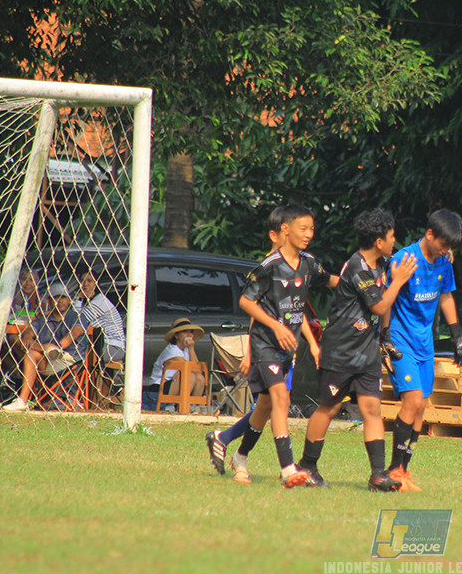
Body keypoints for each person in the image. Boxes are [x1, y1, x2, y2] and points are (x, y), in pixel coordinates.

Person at [205, 206, 336, 484]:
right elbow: (246, 302)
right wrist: (269, 334)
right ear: (285, 230)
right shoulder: (269, 266)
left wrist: (363, 284)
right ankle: (288, 469)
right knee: (281, 399)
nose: (309, 234)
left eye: (312, 229)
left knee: (264, 407)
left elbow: (300, 306)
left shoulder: (309, 263)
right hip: (265, 344)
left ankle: (233, 449)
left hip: (288, 349)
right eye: (304, 228)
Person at [296, 209, 417, 490]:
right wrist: (397, 281)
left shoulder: (382, 262)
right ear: (378, 242)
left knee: (372, 408)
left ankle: (377, 475)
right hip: (340, 351)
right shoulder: (358, 267)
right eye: (391, 236)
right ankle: (307, 466)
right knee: (330, 406)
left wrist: (446, 255)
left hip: (367, 352)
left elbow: (415, 259)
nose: (394, 240)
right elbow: (379, 306)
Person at [383, 209, 462, 492]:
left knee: (421, 410)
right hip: (400, 340)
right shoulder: (404, 260)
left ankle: (404, 472)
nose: (447, 251)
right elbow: (386, 299)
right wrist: (384, 337)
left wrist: (457, 337)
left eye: (450, 247)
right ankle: (393, 470)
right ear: (429, 235)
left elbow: (446, 296)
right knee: (413, 402)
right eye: (444, 244)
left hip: (425, 344)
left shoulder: (444, 261)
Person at [3, 281, 88, 411]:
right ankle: (22, 400)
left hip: (69, 359)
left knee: (33, 353)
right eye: (55, 298)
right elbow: (30, 330)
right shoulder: (43, 319)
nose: (59, 301)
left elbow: (73, 335)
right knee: (18, 342)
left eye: (63, 297)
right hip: (46, 359)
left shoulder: (77, 317)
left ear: (69, 299)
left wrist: (56, 346)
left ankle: (22, 399)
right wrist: (27, 337)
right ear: (49, 300)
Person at [145, 318, 205, 411]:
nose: (189, 335)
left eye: (191, 332)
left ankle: (192, 406)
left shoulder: (186, 350)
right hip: (160, 385)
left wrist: (191, 349)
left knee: (199, 378)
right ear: (177, 335)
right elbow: (189, 368)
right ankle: (179, 407)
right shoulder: (172, 350)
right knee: (190, 375)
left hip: (174, 383)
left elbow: (197, 369)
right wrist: (191, 348)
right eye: (185, 332)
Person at [74, 269, 125, 365]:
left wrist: (79, 298)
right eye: (82, 281)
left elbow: (77, 320)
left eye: (89, 281)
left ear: (96, 283)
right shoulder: (87, 302)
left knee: (76, 354)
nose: (85, 284)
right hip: (97, 344)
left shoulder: (100, 301)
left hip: (112, 346)